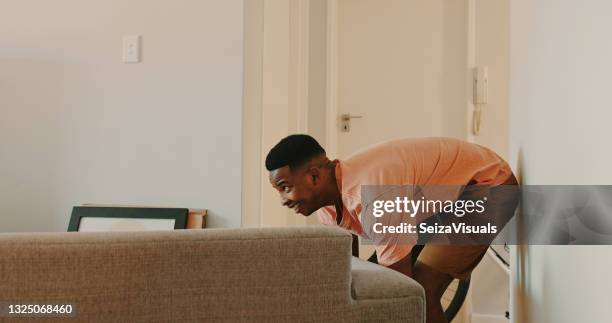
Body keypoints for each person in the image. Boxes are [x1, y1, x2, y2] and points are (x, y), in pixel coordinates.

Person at [265, 134, 518, 323]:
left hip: (487, 186)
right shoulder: (328, 208)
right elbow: (348, 275)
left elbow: (400, 290)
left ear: (314, 176)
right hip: (443, 199)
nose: (283, 200)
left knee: (420, 293)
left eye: (286, 187)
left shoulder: (376, 198)